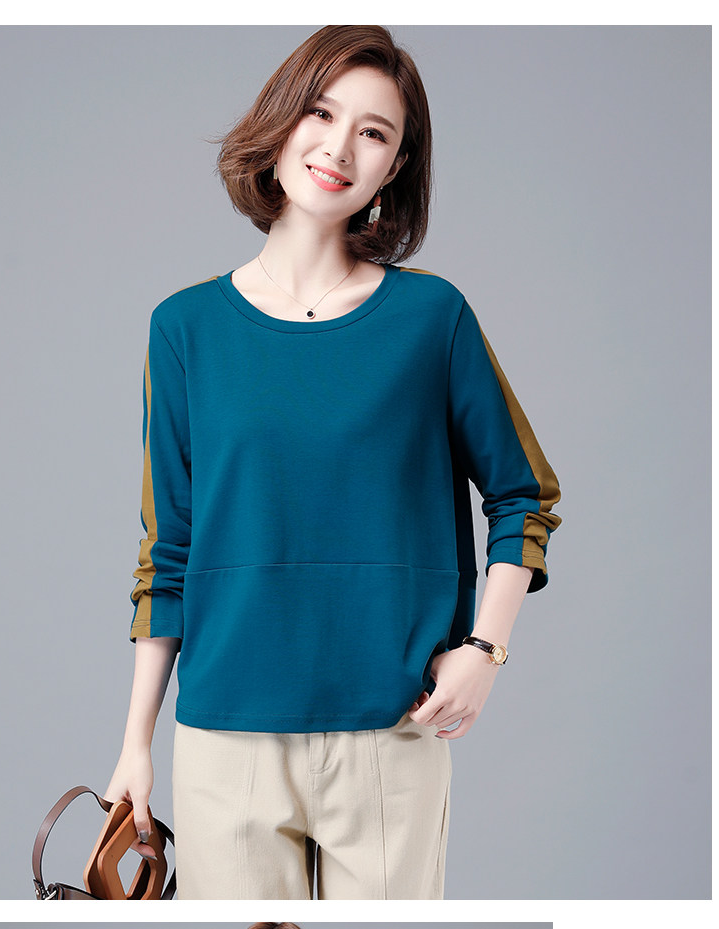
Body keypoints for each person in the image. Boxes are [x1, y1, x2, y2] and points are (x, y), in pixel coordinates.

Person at [105, 24, 561, 900]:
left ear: (395, 167)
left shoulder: (432, 320)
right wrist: (135, 743)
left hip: (392, 732)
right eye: (321, 113)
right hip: (225, 742)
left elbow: (523, 493)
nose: (340, 148)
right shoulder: (185, 328)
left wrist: (485, 649)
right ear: (281, 123)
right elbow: (168, 548)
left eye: (374, 131)